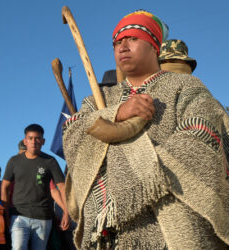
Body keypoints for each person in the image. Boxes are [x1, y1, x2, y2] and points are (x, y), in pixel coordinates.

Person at [63, 9, 229, 249]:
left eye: (132, 39)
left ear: (154, 46)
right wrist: (116, 113)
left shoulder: (186, 87)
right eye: (117, 42)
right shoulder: (100, 98)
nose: (123, 47)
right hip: (109, 231)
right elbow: (73, 133)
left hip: (171, 224)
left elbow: (201, 135)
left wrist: (133, 174)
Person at [1, 124, 69, 250]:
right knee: (18, 247)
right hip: (18, 217)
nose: (34, 141)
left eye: (37, 138)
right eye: (30, 138)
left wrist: (66, 211)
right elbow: (4, 187)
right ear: (25, 141)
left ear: (43, 141)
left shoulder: (50, 161)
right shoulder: (14, 161)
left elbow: (62, 186)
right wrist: (5, 215)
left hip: (43, 217)